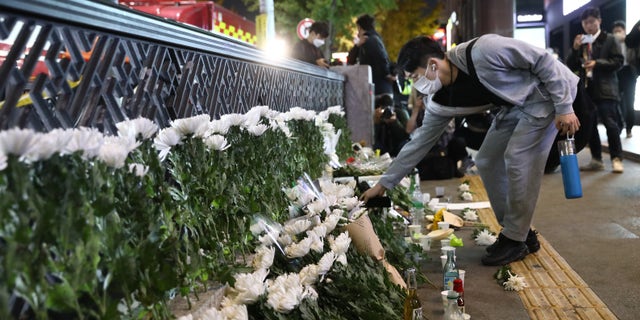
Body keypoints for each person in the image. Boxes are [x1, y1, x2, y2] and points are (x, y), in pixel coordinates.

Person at [361, 34, 580, 266]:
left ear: (433, 65)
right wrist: (383, 184)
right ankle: (520, 232)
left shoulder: (484, 51)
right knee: (486, 160)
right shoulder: (440, 102)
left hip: (548, 95)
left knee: (518, 157)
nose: (416, 84)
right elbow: (418, 143)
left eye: (415, 76)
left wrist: (564, 107)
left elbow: (542, 61)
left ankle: (515, 238)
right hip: (514, 107)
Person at [566, 7, 624, 173]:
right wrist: (575, 48)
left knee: (610, 124)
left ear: (599, 21)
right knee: (590, 126)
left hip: (606, 88)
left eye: (591, 21)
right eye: (585, 23)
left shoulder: (610, 39)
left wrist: (597, 63)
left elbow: (618, 61)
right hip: (587, 89)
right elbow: (570, 66)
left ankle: (616, 158)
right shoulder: (583, 41)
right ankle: (596, 159)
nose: (588, 25)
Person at [353, 14, 396, 98]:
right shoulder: (374, 39)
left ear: (359, 27)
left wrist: (386, 74)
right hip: (380, 88)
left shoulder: (371, 40)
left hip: (377, 89)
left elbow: (381, 59)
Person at [613, 21, 640, 138]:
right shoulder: (612, 44)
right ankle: (618, 127)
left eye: (619, 30)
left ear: (624, 31)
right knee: (616, 102)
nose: (617, 33)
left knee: (630, 102)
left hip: (629, 73)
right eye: (615, 31)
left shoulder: (631, 42)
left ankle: (629, 128)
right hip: (616, 73)